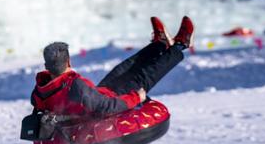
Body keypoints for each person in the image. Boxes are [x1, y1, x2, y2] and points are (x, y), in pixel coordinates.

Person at [31, 16, 194, 117]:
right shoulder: (75, 86)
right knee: (143, 75)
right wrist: (137, 98)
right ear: (69, 62)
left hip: (98, 95)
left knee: (123, 68)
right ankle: (181, 44)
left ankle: (159, 44)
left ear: (47, 66)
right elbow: (107, 107)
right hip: (107, 102)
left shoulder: (40, 91)